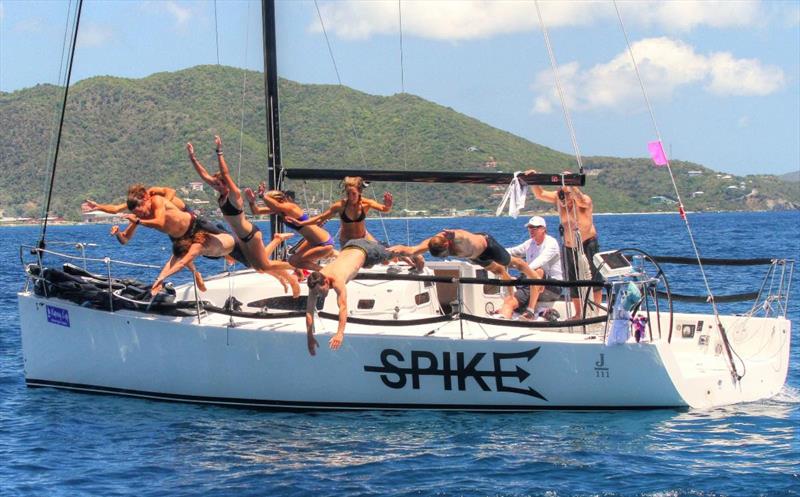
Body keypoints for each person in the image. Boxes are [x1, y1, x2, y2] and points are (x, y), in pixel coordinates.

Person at [187, 136, 299, 296]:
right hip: (240, 237)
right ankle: (278, 241)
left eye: (220, 184)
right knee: (258, 267)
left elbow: (225, 174)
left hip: (251, 235)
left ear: (226, 183)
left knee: (264, 266)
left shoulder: (234, 195)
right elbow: (205, 176)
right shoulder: (221, 195)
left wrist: (219, 152)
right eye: (216, 184)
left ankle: (294, 271)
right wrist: (193, 158)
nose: (217, 186)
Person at [526, 169, 602, 318]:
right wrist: (533, 179)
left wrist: (571, 184)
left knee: (595, 278)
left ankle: (596, 311)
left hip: (587, 243)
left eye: (566, 194)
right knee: (573, 281)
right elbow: (539, 194)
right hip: (569, 246)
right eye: (561, 194)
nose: (564, 198)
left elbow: (581, 199)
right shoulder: (559, 200)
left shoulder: (583, 200)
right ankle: (579, 312)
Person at [304, 239, 398, 356]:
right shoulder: (315, 282)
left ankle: (413, 254)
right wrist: (309, 337)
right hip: (349, 246)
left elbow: (343, 307)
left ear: (327, 281)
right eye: (316, 292)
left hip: (365, 251)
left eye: (320, 290)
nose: (319, 294)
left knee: (396, 253)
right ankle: (380, 247)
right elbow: (309, 312)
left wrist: (339, 333)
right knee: (382, 259)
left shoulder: (337, 280)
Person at [83, 184, 219, 245]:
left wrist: (164, 207)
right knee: (188, 248)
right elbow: (116, 209)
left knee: (211, 234)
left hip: (184, 213)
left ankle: (227, 252)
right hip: (174, 228)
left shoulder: (153, 194)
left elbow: (171, 191)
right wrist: (99, 206)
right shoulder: (139, 209)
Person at [244, 183, 335, 271]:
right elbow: (257, 211)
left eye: (269, 202)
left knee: (294, 261)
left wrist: (262, 195)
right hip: (312, 242)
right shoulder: (279, 210)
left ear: (277, 200)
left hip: (323, 243)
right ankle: (325, 268)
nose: (267, 205)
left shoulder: (290, 208)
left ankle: (324, 271)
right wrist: (251, 202)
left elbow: (277, 205)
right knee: (294, 261)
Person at [287, 176, 392, 245]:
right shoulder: (340, 206)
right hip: (347, 240)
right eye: (348, 194)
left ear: (360, 192)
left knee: (384, 259)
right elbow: (320, 218)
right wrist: (301, 222)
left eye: (354, 194)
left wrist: (388, 205)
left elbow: (384, 209)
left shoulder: (367, 203)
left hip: (364, 236)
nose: (351, 197)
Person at [496, 216, 564, 320]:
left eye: (534, 228)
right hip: (531, 284)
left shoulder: (551, 243)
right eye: (529, 228)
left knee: (538, 271)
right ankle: (505, 322)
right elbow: (512, 251)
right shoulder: (529, 243)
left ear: (543, 229)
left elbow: (540, 261)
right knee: (509, 301)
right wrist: (493, 253)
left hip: (553, 287)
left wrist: (523, 275)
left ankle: (530, 311)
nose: (531, 230)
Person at [150, 230, 251, 295]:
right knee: (185, 258)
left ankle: (267, 245)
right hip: (215, 252)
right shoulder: (186, 243)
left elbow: (181, 264)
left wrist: (163, 278)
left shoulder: (196, 247)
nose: (183, 258)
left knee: (257, 266)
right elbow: (171, 262)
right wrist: (159, 279)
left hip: (233, 246)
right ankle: (197, 274)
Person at [390, 229, 514, 281]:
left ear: (446, 245)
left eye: (444, 255)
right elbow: (413, 250)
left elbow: (463, 236)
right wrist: (400, 249)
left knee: (510, 264)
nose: (445, 257)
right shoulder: (432, 243)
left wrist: (454, 236)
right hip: (474, 256)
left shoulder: (456, 239)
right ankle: (510, 294)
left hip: (483, 246)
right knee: (498, 271)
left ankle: (523, 281)